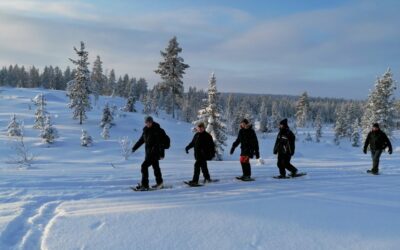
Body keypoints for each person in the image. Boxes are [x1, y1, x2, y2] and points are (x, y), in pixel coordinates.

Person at [132, 116, 169, 190]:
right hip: (148, 153)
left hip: (155, 153)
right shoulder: (145, 131)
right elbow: (141, 141)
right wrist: (134, 148)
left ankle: (145, 185)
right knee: (156, 167)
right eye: (146, 122)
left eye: (149, 122)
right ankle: (160, 183)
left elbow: (162, 142)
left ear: (152, 122)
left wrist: (161, 153)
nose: (148, 123)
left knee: (144, 166)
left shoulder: (158, 130)